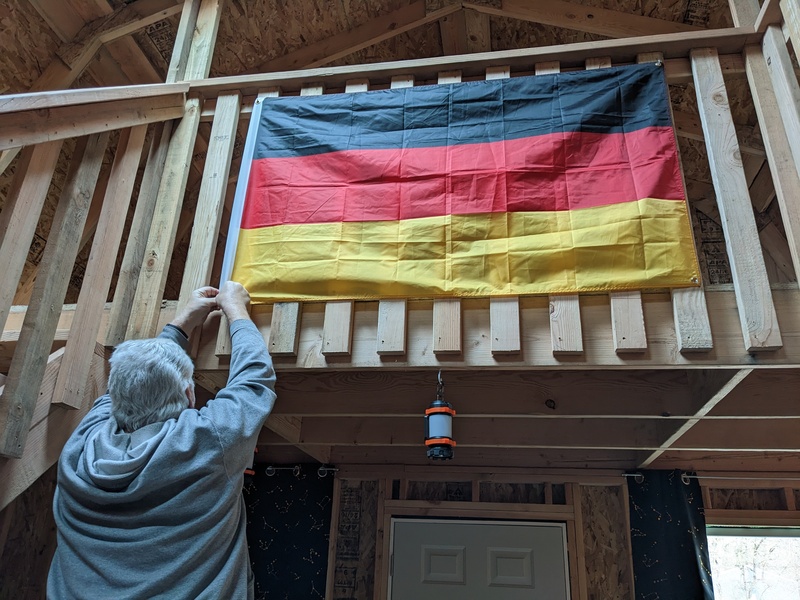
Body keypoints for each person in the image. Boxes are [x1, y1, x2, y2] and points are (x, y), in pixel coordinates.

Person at [47, 281, 276, 600]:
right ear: (189, 394)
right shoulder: (204, 441)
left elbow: (131, 381)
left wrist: (183, 319)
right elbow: (253, 383)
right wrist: (235, 307)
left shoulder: (80, 445)